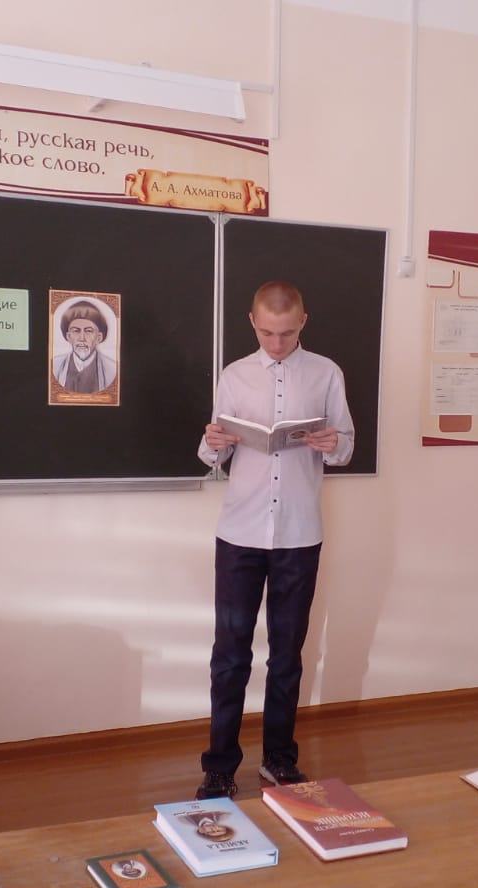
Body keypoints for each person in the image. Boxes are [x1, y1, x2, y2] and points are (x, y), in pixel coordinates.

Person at [193, 280, 354, 800]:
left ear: (302, 321)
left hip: (299, 534)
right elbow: (212, 453)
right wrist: (213, 442)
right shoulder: (234, 375)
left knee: (287, 654)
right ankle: (220, 768)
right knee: (229, 655)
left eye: (286, 332)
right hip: (239, 533)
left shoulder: (326, 373)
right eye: (266, 332)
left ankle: (279, 761)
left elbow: (346, 447)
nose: (277, 343)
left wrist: (332, 442)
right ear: (252, 321)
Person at [51, 298, 117, 392]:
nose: (82, 338)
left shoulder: (113, 369)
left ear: (99, 337)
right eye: (76, 331)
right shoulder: (54, 366)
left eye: (88, 331)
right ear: (68, 337)